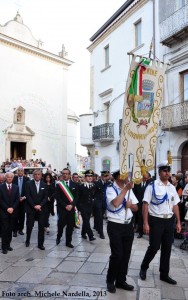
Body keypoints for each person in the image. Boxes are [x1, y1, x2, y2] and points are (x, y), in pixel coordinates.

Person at [139, 161, 181, 285]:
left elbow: (175, 205)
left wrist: (178, 222)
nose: (167, 172)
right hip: (156, 220)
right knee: (154, 247)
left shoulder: (172, 187)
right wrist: (145, 223)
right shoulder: (152, 186)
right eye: (164, 170)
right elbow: (145, 205)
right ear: (159, 172)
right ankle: (144, 267)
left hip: (169, 220)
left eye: (168, 170)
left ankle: (164, 274)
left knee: (167, 249)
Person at [105, 169, 138, 293]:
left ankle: (121, 280)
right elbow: (115, 203)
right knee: (117, 254)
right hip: (115, 225)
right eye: (125, 174)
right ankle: (110, 280)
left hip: (127, 225)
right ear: (118, 176)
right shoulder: (110, 189)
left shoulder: (128, 188)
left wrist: (131, 206)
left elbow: (136, 207)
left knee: (126, 255)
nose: (128, 176)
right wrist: (125, 189)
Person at [55, 168, 79, 248]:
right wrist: (65, 206)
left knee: (70, 226)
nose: (65, 175)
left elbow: (77, 197)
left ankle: (68, 242)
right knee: (60, 225)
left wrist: (72, 205)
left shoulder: (75, 185)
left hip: (71, 209)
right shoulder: (59, 185)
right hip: (62, 209)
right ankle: (58, 237)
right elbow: (58, 197)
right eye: (63, 173)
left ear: (69, 175)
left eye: (66, 173)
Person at [25, 169, 48, 250]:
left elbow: (45, 197)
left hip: (41, 209)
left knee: (41, 227)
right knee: (29, 226)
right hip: (31, 209)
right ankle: (27, 240)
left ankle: (40, 244)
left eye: (38, 174)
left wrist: (40, 205)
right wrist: (34, 206)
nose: (37, 176)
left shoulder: (44, 185)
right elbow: (28, 196)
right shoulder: (28, 184)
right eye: (35, 174)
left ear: (41, 176)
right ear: (33, 175)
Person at [0, 172, 20, 254]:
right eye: (8, 177)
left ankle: (8, 245)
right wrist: (7, 208)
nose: (9, 179)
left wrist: (12, 208)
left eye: (11, 177)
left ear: (12, 178)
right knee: (4, 229)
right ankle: (4, 247)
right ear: (5, 178)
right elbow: (0, 200)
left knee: (10, 229)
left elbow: (17, 199)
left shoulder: (16, 187)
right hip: (3, 212)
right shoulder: (1, 187)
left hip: (13, 212)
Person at [77, 169, 96, 241]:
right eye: (88, 176)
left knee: (86, 220)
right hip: (83, 206)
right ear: (85, 177)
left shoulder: (93, 186)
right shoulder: (81, 186)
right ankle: (90, 235)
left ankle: (83, 233)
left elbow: (93, 196)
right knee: (86, 220)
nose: (90, 177)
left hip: (90, 206)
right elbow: (78, 197)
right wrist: (79, 207)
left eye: (91, 176)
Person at [133, 171, 152, 238]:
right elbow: (134, 193)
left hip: (148, 204)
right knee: (140, 218)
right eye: (144, 178)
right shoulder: (137, 183)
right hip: (139, 204)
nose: (146, 179)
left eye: (147, 178)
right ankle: (140, 233)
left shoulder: (150, 183)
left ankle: (149, 232)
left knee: (149, 218)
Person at [12, 167, 30, 236]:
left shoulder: (27, 179)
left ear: (23, 172)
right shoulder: (14, 179)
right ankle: (14, 230)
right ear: (17, 172)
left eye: (21, 171)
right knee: (15, 216)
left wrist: (24, 197)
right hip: (15, 201)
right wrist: (17, 198)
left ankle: (20, 230)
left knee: (22, 216)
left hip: (24, 200)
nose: (20, 172)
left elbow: (28, 190)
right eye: (19, 171)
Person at [93, 170, 111, 239]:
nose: (105, 177)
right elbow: (93, 193)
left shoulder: (109, 183)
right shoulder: (97, 183)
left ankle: (97, 227)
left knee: (100, 216)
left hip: (104, 202)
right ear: (101, 176)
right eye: (104, 176)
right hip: (98, 202)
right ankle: (101, 233)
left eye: (106, 176)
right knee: (100, 217)